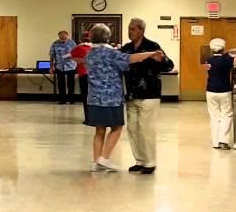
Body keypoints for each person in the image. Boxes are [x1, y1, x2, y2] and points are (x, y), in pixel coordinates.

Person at [85, 23, 164, 173]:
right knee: (116, 128)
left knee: (99, 130)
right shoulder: (111, 54)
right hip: (111, 98)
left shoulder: (90, 54)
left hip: (94, 98)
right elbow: (131, 58)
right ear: (107, 37)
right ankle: (105, 158)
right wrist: (150, 54)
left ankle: (96, 162)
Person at [121, 18, 174, 175]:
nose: (129, 32)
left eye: (132, 29)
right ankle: (140, 160)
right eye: (129, 29)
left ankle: (150, 162)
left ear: (141, 31)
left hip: (150, 93)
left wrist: (161, 60)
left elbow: (169, 65)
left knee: (146, 129)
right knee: (133, 128)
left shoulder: (152, 46)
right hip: (131, 94)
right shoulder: (126, 49)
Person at [68, 32, 92, 125]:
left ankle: (88, 119)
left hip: (84, 74)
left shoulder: (78, 48)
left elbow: (70, 56)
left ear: (82, 39)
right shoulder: (97, 48)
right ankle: (96, 119)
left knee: (86, 97)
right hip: (96, 75)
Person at [49, 30, 77, 105]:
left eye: (64, 38)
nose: (63, 39)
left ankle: (71, 99)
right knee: (61, 84)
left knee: (70, 84)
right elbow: (52, 56)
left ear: (67, 36)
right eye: (61, 38)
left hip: (71, 65)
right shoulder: (55, 43)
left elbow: (76, 52)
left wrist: (70, 55)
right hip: (59, 66)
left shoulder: (72, 43)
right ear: (59, 37)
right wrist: (51, 67)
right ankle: (62, 100)